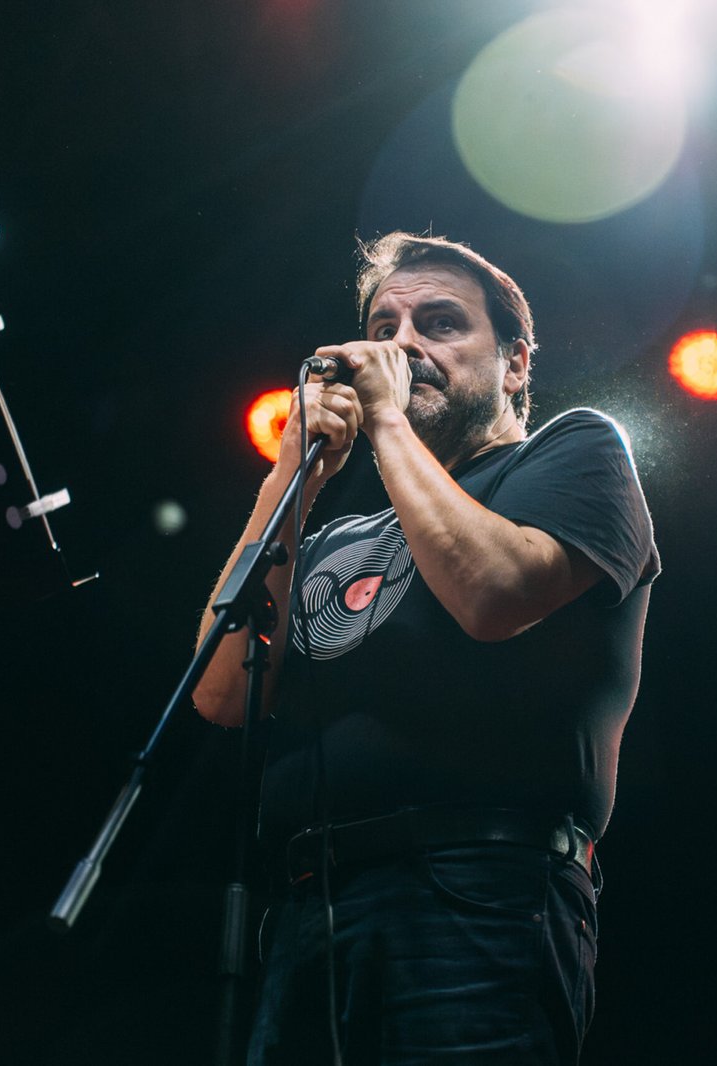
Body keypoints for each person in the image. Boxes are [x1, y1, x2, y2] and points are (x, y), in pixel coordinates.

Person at [193, 232, 659, 1065]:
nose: (403, 346)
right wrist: (293, 471)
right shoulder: (333, 539)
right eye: (384, 327)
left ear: (516, 364)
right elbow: (221, 693)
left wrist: (382, 419)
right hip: (307, 911)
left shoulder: (576, 453)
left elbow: (492, 595)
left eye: (440, 323)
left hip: (480, 891)